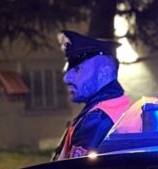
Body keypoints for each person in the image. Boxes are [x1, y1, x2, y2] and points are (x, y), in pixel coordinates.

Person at [53, 30, 131, 160]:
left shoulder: (97, 120)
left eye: (77, 69)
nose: (67, 78)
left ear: (105, 73)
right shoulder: (118, 105)